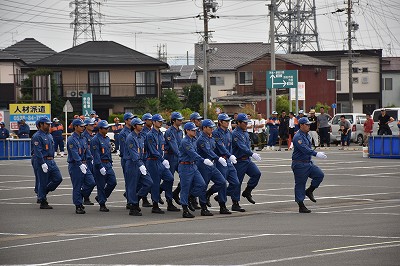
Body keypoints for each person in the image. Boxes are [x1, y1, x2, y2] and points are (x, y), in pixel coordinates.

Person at [291, 117, 327, 213]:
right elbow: (304, 149)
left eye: (309, 124)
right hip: (299, 164)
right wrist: (316, 154)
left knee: (319, 175)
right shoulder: (298, 137)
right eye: (307, 125)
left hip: (308, 162)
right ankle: (301, 205)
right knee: (300, 184)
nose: (309, 126)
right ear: (301, 125)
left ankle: (310, 190)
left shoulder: (307, 135)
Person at [145, 114, 179, 214]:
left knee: (170, 178)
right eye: (159, 121)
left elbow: (162, 148)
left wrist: (163, 159)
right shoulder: (150, 135)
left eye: (161, 121)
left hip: (160, 161)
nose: (161, 123)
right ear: (154, 122)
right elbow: (152, 150)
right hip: (153, 161)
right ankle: (155, 205)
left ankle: (165, 196)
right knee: (155, 183)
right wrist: (162, 159)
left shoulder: (160, 134)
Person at [178, 122, 212, 218]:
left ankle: (190, 197)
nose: (195, 131)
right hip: (185, 166)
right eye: (192, 130)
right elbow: (192, 153)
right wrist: (203, 160)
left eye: (195, 130)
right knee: (185, 188)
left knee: (201, 184)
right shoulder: (185, 142)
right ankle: (185, 210)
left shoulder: (194, 140)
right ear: (187, 131)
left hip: (193, 165)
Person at [197, 119, 231, 215]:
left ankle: (210, 194)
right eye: (210, 127)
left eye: (212, 127)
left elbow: (216, 149)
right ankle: (203, 207)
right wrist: (218, 158)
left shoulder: (211, 138)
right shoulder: (201, 139)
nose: (212, 129)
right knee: (203, 185)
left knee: (222, 182)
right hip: (204, 165)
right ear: (204, 128)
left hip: (212, 164)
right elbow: (208, 151)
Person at [213, 113, 244, 212]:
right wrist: (229, 155)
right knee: (222, 184)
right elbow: (220, 146)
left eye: (228, 121)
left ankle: (220, 195)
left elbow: (230, 145)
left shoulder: (228, 132)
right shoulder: (216, 133)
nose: (227, 123)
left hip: (228, 160)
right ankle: (222, 205)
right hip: (221, 160)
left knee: (235, 182)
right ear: (220, 122)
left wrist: (230, 155)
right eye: (225, 121)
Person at [31, 117, 63, 209]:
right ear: (41, 124)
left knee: (58, 178)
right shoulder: (37, 136)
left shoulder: (49, 135)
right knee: (43, 181)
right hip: (43, 160)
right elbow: (37, 151)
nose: (49, 126)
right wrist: (42, 163)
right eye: (47, 124)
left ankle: (44, 192)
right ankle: (42, 200)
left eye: (49, 124)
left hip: (51, 160)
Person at [125, 118, 153, 216]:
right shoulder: (130, 138)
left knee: (149, 182)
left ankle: (136, 200)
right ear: (134, 126)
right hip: (133, 164)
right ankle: (133, 207)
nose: (142, 126)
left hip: (140, 163)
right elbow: (133, 154)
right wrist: (140, 164)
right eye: (140, 124)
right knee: (132, 186)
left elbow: (143, 151)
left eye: (142, 124)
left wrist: (143, 162)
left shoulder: (141, 137)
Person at [67, 118, 96, 214]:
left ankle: (81, 196)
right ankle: (78, 205)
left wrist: (90, 159)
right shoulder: (72, 139)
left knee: (91, 182)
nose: (83, 127)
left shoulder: (83, 138)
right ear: (75, 127)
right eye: (81, 126)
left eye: (84, 126)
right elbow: (74, 153)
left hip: (85, 163)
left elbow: (87, 150)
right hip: (75, 165)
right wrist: (80, 164)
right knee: (77, 186)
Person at [232, 113, 262, 205]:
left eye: (247, 123)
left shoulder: (245, 132)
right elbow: (242, 147)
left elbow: (247, 146)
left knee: (256, 173)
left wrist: (251, 154)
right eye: (244, 123)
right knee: (238, 182)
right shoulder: (235, 134)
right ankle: (235, 203)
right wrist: (252, 154)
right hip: (239, 160)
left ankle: (247, 191)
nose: (246, 124)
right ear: (239, 123)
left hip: (247, 160)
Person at [90, 120, 117, 212]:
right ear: (100, 129)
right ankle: (102, 203)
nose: (107, 129)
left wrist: (110, 162)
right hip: (100, 164)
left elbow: (108, 152)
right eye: (105, 128)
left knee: (113, 182)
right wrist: (99, 166)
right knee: (101, 185)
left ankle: (102, 197)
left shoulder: (107, 139)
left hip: (108, 164)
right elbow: (96, 154)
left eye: (107, 128)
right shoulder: (95, 139)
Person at [164, 112, 184, 205]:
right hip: (171, 157)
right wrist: (181, 156)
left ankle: (175, 193)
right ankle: (169, 201)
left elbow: (181, 145)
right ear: (173, 121)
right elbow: (174, 147)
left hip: (178, 156)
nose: (181, 121)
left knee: (184, 176)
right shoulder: (169, 132)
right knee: (170, 179)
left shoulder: (180, 131)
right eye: (179, 120)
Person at [82, 118, 96, 205]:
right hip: (87, 160)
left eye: (93, 124)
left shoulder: (92, 135)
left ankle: (86, 196)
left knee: (93, 180)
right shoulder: (84, 136)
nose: (92, 126)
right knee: (88, 181)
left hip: (93, 159)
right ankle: (85, 196)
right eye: (90, 125)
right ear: (86, 126)